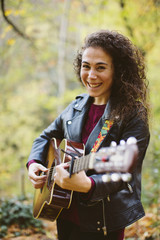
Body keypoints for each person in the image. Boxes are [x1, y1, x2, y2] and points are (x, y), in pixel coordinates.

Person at [27, 30, 150, 240]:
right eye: (86, 66)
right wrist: (35, 163)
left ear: (118, 70)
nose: (91, 75)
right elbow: (44, 138)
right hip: (63, 211)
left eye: (100, 67)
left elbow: (126, 172)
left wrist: (90, 185)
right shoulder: (76, 106)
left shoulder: (132, 114)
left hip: (103, 220)